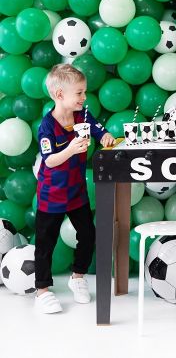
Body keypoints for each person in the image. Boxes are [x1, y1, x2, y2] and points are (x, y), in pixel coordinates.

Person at [35, 64, 115, 314]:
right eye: (79, 93)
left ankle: (78, 277)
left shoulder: (83, 116)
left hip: (76, 192)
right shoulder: (47, 126)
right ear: (60, 95)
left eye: (84, 92)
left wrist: (105, 137)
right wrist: (70, 149)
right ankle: (42, 291)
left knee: (88, 235)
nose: (84, 97)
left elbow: (99, 130)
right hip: (52, 194)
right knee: (46, 243)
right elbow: (50, 160)